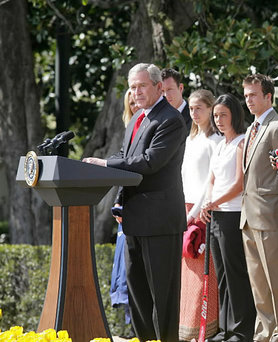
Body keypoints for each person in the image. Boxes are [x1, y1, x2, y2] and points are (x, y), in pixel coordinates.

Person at [83, 63, 187, 342]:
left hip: (160, 220)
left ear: (157, 87)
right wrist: (114, 194)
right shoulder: (137, 119)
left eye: (142, 86)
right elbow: (125, 155)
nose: (136, 92)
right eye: (132, 87)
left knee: (162, 296)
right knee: (137, 293)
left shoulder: (170, 120)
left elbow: (150, 162)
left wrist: (105, 163)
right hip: (134, 218)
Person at [240, 74, 278, 342]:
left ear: (268, 97)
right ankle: (263, 336)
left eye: (253, 95)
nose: (248, 100)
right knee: (259, 287)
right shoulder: (251, 129)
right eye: (246, 95)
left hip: (274, 218)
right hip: (248, 219)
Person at [199, 93, 256, 342]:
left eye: (223, 115)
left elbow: (239, 184)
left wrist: (215, 202)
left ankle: (242, 331)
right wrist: (207, 204)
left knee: (236, 275)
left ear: (235, 115)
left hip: (233, 216)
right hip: (216, 216)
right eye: (216, 115)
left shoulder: (242, 143)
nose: (219, 120)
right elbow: (211, 180)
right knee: (221, 275)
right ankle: (224, 329)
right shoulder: (220, 144)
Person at [179, 89, 222, 341]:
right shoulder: (190, 139)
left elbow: (210, 181)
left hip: (201, 211)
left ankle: (204, 330)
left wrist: (193, 214)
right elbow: (183, 178)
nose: (194, 113)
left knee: (203, 272)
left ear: (210, 109)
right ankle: (185, 330)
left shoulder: (215, 141)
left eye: (199, 109)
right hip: (183, 208)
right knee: (186, 275)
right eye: (191, 109)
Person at [109, 89, 140, 333]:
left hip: (145, 207)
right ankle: (131, 325)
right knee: (125, 265)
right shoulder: (129, 129)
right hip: (126, 208)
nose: (135, 103)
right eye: (131, 101)